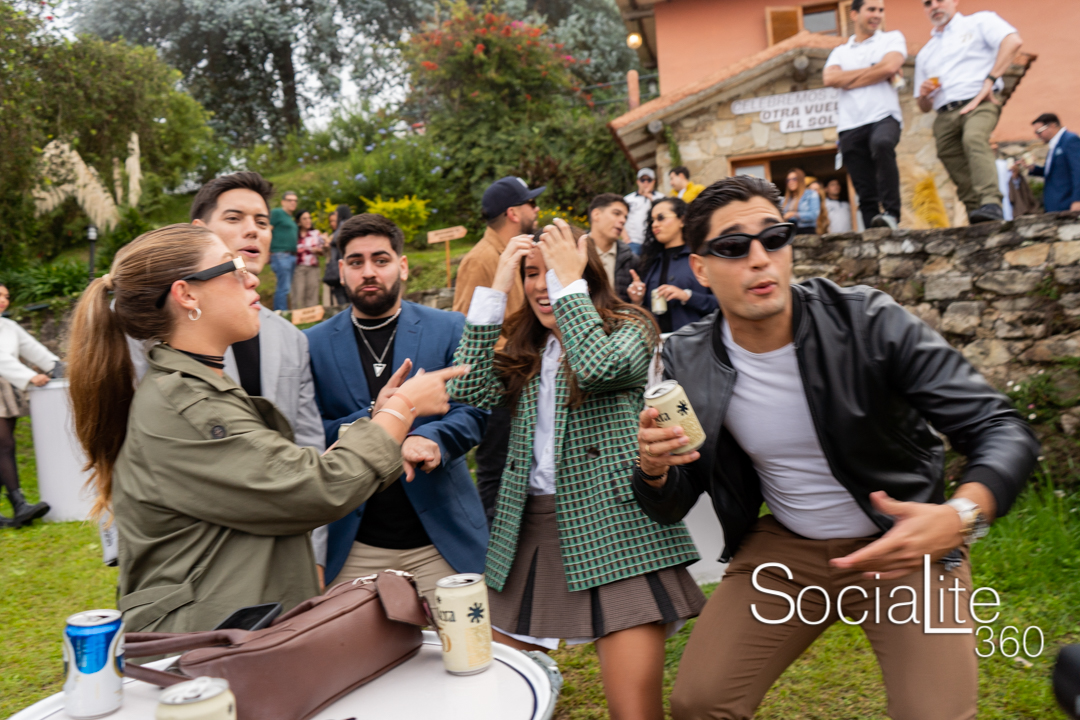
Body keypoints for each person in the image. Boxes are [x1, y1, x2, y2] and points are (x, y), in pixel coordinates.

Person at [631, 176, 1040, 720]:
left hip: (902, 545)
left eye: (774, 237)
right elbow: (674, 500)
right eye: (733, 246)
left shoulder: (868, 322)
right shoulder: (687, 356)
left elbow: (1001, 427)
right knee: (698, 703)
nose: (760, 258)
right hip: (787, 549)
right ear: (700, 268)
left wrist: (960, 516)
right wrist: (654, 470)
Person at [67, 224, 466, 634]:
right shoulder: (188, 405)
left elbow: (277, 479)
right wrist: (402, 409)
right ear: (187, 295)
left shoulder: (195, 388)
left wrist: (379, 419)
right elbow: (313, 490)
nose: (252, 278)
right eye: (233, 268)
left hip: (227, 636)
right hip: (205, 646)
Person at [450, 218, 703, 720]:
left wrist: (570, 288)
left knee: (634, 712)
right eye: (531, 274)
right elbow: (467, 387)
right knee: (495, 700)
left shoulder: (631, 327)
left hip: (616, 529)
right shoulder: (526, 346)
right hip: (528, 533)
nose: (542, 286)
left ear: (583, 273)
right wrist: (495, 289)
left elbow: (597, 368)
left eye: (554, 272)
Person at [305, 214, 488, 606]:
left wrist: (432, 438)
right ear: (341, 271)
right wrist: (376, 418)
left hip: (440, 542)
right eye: (356, 262)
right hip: (353, 547)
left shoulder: (449, 328)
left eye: (381, 260)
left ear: (402, 266)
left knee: (463, 644)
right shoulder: (311, 344)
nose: (369, 272)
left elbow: (473, 411)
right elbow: (309, 431)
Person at [452, 176, 545, 524]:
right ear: (513, 213)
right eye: (530, 203)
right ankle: (491, 548)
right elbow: (463, 325)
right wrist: (521, 354)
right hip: (497, 385)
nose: (536, 209)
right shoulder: (479, 259)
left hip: (519, 380)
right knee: (496, 472)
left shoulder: (516, 253)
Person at [915, 0, 1023, 224]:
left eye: (939, 0)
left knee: (974, 138)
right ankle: (976, 211)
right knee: (948, 154)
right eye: (928, 3)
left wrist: (990, 79)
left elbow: (1013, 41)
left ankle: (991, 202)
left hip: (978, 101)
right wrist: (924, 95)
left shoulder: (980, 22)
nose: (934, 6)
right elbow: (923, 106)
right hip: (944, 112)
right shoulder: (925, 53)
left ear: (954, 1)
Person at [824, 0, 906, 230]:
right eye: (871, 9)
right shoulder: (840, 52)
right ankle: (872, 226)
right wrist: (875, 71)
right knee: (861, 179)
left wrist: (849, 79)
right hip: (850, 123)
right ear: (854, 14)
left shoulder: (892, 39)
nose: (877, 14)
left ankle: (891, 213)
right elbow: (830, 78)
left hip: (885, 115)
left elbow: (890, 67)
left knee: (882, 144)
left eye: (880, 10)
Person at [0, 284, 56, 528]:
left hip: (5, 391)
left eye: (6, 296)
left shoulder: (8, 326)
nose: (4, 300)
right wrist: (29, 376)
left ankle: (18, 505)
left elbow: (35, 350)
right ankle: (19, 505)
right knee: (4, 445)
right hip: (6, 386)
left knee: (3, 448)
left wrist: (58, 367)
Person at [627, 197, 717, 334]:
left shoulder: (701, 257)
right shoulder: (649, 262)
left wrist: (687, 296)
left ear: (682, 220)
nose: (655, 224)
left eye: (661, 218)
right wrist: (637, 301)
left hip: (698, 340)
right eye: (652, 220)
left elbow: (722, 304)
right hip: (657, 342)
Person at [587, 193, 637, 303]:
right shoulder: (574, 252)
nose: (623, 220)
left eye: (625, 217)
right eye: (616, 213)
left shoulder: (630, 260)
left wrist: (638, 300)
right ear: (596, 214)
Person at [1028, 113, 1080, 213]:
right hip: (1055, 205)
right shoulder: (1054, 144)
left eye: (1039, 132)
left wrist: (1077, 199)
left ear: (1052, 126)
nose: (1037, 136)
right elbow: (1055, 172)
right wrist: (1033, 168)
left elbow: (1078, 171)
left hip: (1067, 204)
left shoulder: (1070, 140)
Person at [269, 190, 299, 310]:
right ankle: (280, 312)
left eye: (295, 200)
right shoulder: (277, 213)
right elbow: (267, 230)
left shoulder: (290, 218)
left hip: (291, 256)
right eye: (290, 200)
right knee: (283, 287)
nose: (293, 202)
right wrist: (267, 251)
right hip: (281, 254)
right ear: (283, 202)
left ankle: (282, 311)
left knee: (286, 287)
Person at [624, 168, 664, 255]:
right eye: (643, 180)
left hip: (655, 242)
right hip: (633, 242)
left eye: (649, 180)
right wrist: (627, 240)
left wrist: (650, 197)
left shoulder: (661, 198)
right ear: (638, 182)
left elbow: (663, 215)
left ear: (654, 182)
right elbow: (621, 219)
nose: (646, 183)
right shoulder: (628, 199)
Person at [292, 208, 326, 309]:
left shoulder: (316, 233)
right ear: (298, 222)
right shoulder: (294, 235)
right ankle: (298, 316)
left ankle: (312, 316)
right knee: (298, 293)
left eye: (309, 218)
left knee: (312, 293)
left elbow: (324, 252)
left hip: (313, 268)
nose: (308, 220)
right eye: (304, 218)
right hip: (298, 268)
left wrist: (318, 251)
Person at [324, 205, 352, 307]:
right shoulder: (352, 225)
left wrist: (328, 241)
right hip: (349, 264)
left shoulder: (343, 225)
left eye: (336, 214)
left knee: (341, 294)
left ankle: (346, 313)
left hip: (340, 265)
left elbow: (337, 240)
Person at [781, 169, 822, 234]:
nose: (791, 182)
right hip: (790, 232)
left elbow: (814, 215)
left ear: (800, 180)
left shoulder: (811, 194)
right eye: (788, 180)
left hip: (806, 232)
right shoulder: (784, 200)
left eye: (794, 179)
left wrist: (793, 214)